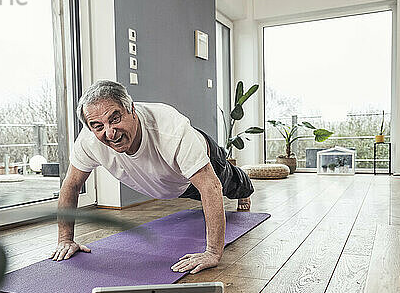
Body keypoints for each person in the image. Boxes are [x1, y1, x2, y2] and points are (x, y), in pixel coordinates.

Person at [50, 80, 254, 274]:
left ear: (132, 110)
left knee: (233, 185)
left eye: (115, 119)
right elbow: (72, 185)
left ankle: (246, 186)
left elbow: (210, 187)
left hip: (204, 161)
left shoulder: (170, 129)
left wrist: (212, 252)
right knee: (197, 195)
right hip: (172, 183)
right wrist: (65, 239)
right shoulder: (88, 142)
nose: (110, 133)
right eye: (98, 126)